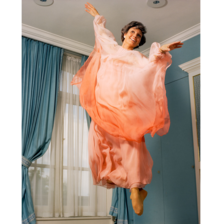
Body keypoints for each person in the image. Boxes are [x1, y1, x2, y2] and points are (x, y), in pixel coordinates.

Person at [71, 2, 183, 216]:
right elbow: (102, 34)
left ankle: (135, 189)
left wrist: (162, 49)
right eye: (132, 32)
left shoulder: (139, 58)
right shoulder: (110, 48)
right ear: (124, 34)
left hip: (127, 109)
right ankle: (135, 188)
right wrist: (97, 16)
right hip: (106, 107)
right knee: (104, 146)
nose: (135, 36)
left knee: (132, 147)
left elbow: (152, 66)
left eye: (139, 35)